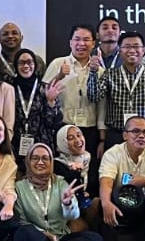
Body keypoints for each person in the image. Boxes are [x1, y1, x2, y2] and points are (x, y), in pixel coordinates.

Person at [14, 142, 103, 241]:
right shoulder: (19, 187)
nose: (40, 162)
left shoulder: (60, 183)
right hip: (38, 238)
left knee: (95, 239)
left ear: (51, 162)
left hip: (61, 239)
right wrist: (49, 236)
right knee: (23, 233)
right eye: (35, 158)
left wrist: (67, 203)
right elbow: (23, 221)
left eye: (45, 158)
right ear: (28, 161)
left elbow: (73, 216)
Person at [43, 24, 103, 185]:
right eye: (77, 39)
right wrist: (59, 75)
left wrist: (102, 138)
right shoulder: (58, 64)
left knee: (89, 174)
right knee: (64, 175)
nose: (81, 44)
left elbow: (102, 105)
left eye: (86, 40)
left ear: (93, 43)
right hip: (63, 129)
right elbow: (44, 94)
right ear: (70, 42)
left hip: (89, 130)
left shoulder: (99, 70)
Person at [98, 116, 145, 227]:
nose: (142, 136)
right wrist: (106, 203)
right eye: (136, 131)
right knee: (97, 204)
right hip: (119, 202)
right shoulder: (112, 153)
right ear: (125, 135)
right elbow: (106, 181)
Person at [10, 48, 63, 159]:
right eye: (21, 63)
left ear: (35, 65)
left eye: (29, 62)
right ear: (15, 66)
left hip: (42, 144)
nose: (26, 66)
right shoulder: (9, 88)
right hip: (15, 144)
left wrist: (50, 101)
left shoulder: (45, 88)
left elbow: (53, 123)